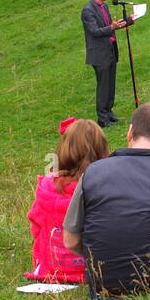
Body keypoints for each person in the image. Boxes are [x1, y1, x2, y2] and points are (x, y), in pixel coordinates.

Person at [62, 102, 150, 300]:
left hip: (102, 286)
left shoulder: (92, 173)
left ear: (130, 132)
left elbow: (70, 240)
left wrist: (102, 255)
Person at [24, 117, 110, 283]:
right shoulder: (105, 187)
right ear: (102, 150)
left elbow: (36, 227)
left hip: (51, 270)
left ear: (64, 149)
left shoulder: (47, 186)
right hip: (93, 269)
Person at [80, 0, 131, 128]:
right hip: (99, 53)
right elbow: (94, 31)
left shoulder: (105, 7)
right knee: (103, 86)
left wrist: (119, 24)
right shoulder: (88, 10)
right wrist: (111, 27)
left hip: (110, 49)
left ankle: (109, 113)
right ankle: (102, 119)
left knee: (110, 83)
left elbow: (107, 27)